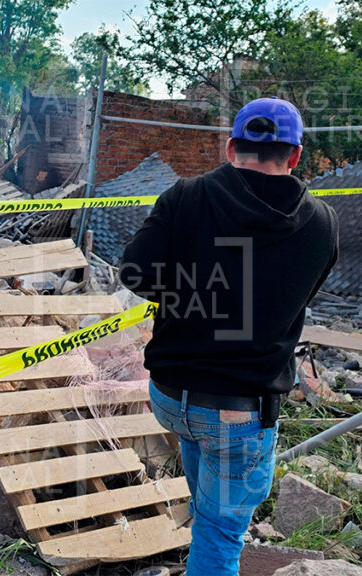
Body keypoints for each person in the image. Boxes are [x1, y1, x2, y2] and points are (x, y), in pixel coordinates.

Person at [117, 97, 338, 576]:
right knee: (221, 533)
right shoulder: (321, 223)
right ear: (295, 156)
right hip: (240, 410)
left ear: (230, 146)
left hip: (173, 397)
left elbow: (134, 271)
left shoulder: (186, 196)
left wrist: (191, 287)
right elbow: (299, 294)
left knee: (210, 506)